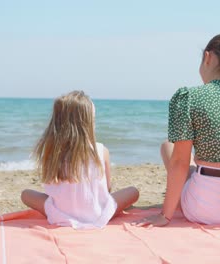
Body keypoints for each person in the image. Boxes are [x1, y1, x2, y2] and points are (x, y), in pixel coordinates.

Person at [134, 33, 220, 227]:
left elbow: (180, 163)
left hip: (208, 209)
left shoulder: (190, 97)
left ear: (208, 57)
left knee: (168, 147)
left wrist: (164, 216)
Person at [21, 91, 139, 229]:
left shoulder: (51, 151)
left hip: (60, 214)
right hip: (98, 215)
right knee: (133, 192)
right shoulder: (101, 150)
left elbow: (49, 186)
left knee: (26, 194)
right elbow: (107, 188)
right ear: (88, 123)